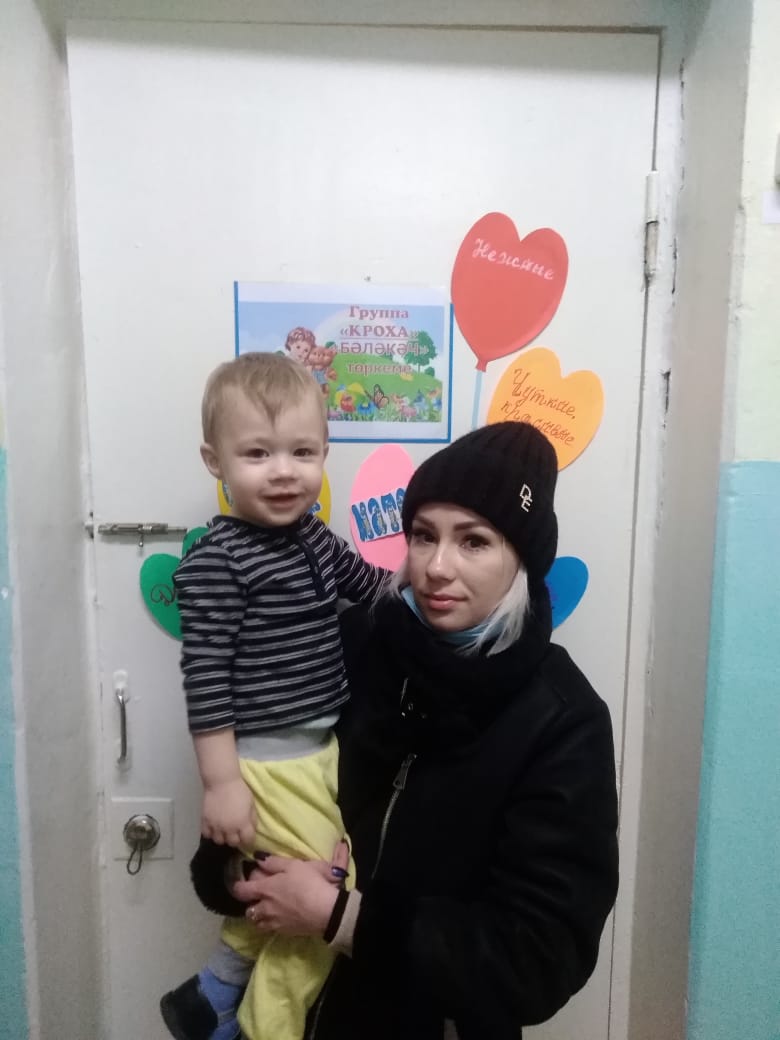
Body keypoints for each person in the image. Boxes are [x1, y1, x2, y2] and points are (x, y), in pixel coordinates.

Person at [190, 421, 620, 1040]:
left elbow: (539, 958)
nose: (437, 567)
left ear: (522, 558)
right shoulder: (353, 644)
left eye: (474, 541)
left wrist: (340, 918)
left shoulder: (561, 718)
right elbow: (254, 791)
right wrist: (240, 875)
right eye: (423, 535)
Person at [160, 352, 388, 1040]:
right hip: (264, 765)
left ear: (324, 454)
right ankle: (263, 1028)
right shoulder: (218, 560)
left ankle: (211, 992)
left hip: (318, 755)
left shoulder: (315, 539)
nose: (284, 471)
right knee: (325, 902)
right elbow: (205, 675)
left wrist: (421, 579)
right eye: (258, 453)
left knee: (290, 884)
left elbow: (371, 589)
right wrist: (222, 783)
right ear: (215, 461)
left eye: (302, 452)